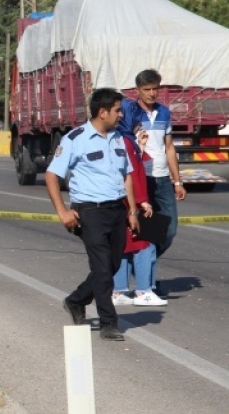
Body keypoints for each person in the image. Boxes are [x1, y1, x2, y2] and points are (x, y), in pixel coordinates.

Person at [46, 88, 139, 341]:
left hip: (116, 210)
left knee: (112, 265)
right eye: (118, 110)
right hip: (89, 212)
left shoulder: (119, 138)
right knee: (101, 267)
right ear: (102, 112)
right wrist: (63, 211)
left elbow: (127, 176)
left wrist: (132, 211)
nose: (121, 115)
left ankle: (75, 300)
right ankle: (109, 322)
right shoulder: (75, 139)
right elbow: (52, 175)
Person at [123, 69, 186, 296]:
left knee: (169, 230)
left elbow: (169, 147)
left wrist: (177, 181)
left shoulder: (164, 113)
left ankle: (140, 267)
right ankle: (146, 282)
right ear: (137, 90)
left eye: (155, 89)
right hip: (141, 179)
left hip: (162, 179)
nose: (151, 93)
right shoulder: (130, 113)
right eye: (146, 89)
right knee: (147, 231)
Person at [111, 117, 167, 307]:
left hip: (125, 201)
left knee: (126, 246)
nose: (139, 126)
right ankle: (144, 290)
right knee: (145, 246)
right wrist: (142, 201)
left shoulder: (124, 141)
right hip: (133, 202)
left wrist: (140, 147)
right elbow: (133, 175)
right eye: (136, 122)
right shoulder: (126, 142)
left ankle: (119, 290)